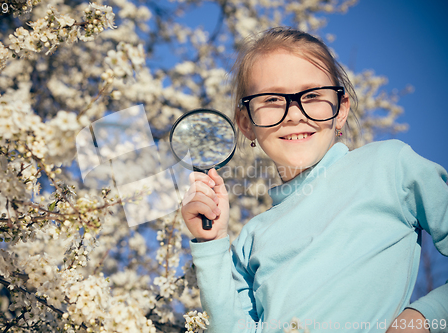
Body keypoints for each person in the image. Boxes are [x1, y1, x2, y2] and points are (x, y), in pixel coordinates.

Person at [181, 27, 448, 333]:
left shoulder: (389, 167)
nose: (294, 114)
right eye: (271, 100)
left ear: (341, 110)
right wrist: (212, 242)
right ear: (246, 124)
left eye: (312, 95)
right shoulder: (251, 239)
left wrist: (424, 317)